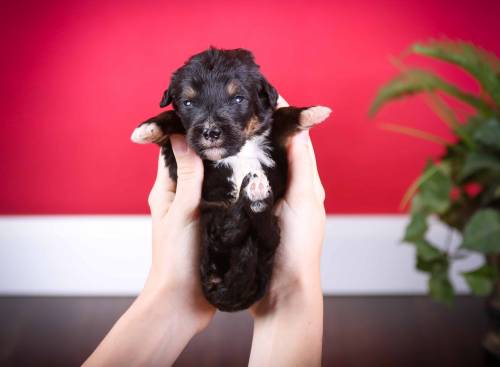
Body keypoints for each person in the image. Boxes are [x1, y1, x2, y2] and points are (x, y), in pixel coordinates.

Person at [83, 100, 326, 367]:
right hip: (220, 233)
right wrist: (294, 292)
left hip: (255, 235)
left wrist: (173, 299)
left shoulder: (261, 138)